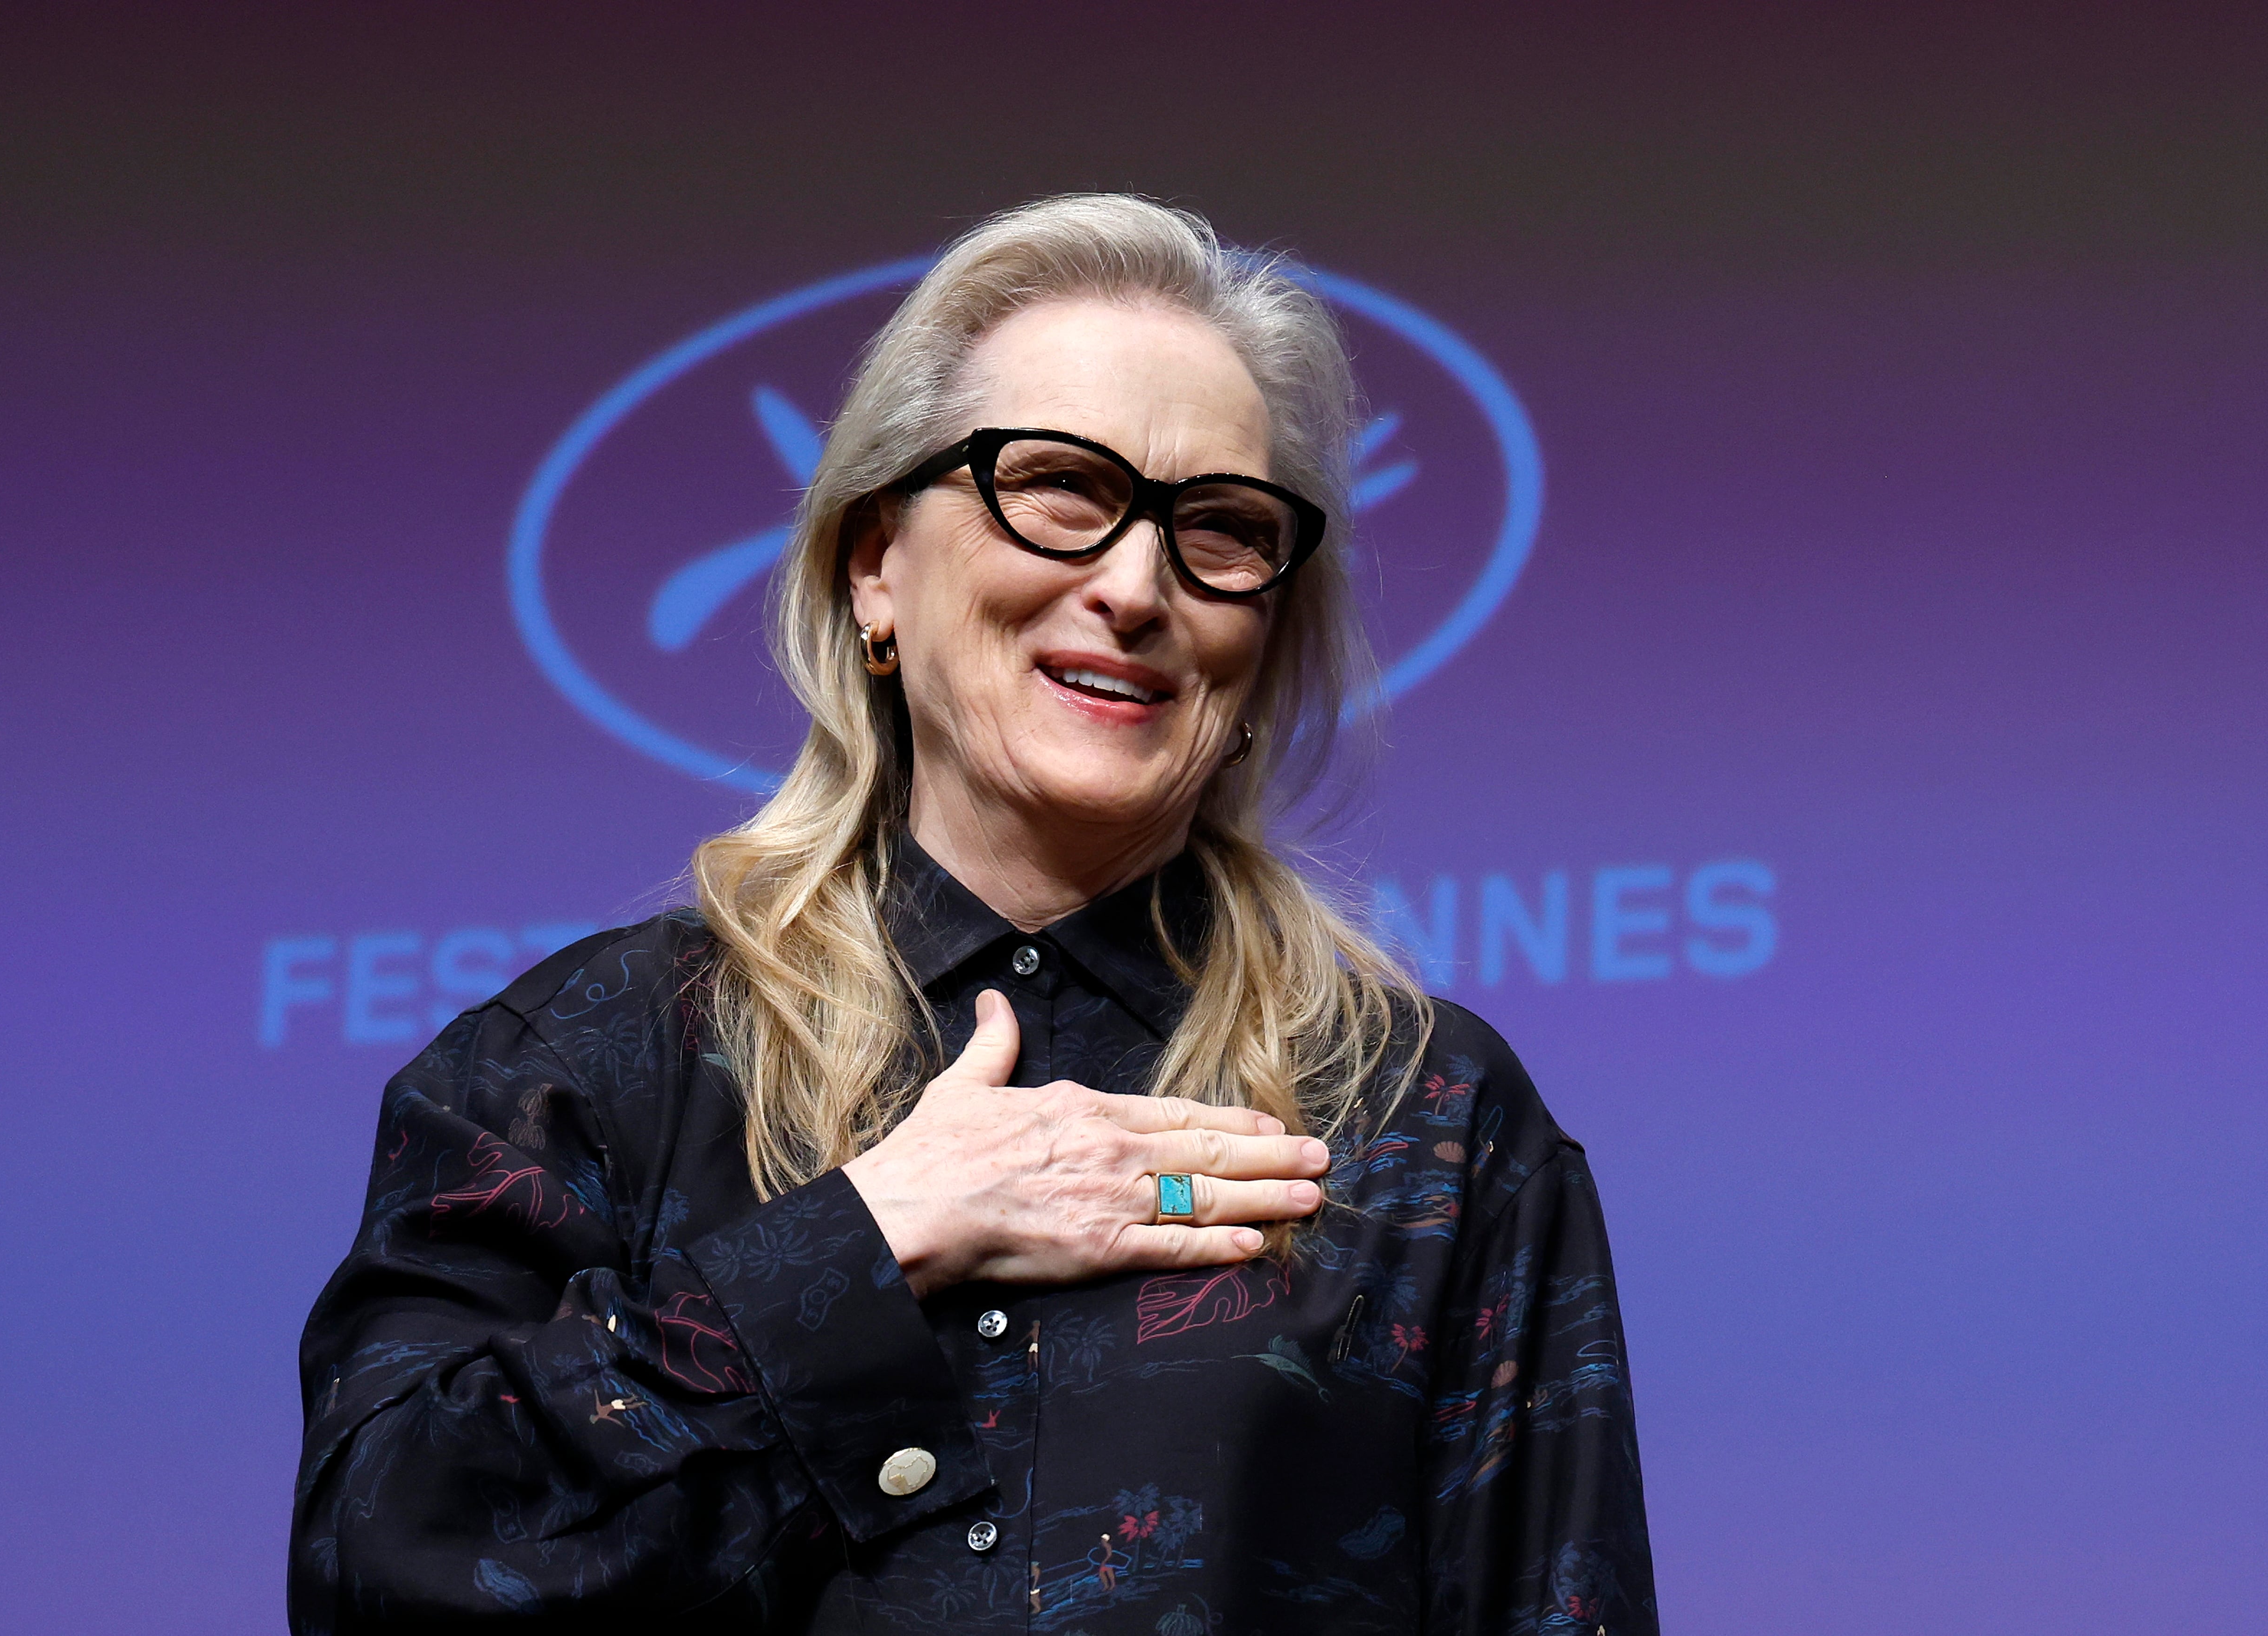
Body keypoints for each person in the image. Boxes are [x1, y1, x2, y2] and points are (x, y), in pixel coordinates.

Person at [291, 194, 1657, 1633]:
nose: (1138, 586)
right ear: (876, 564)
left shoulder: (1426, 1122)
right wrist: (862, 1244)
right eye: (1060, 487)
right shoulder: (581, 1068)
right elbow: (383, 1567)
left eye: (1222, 529)